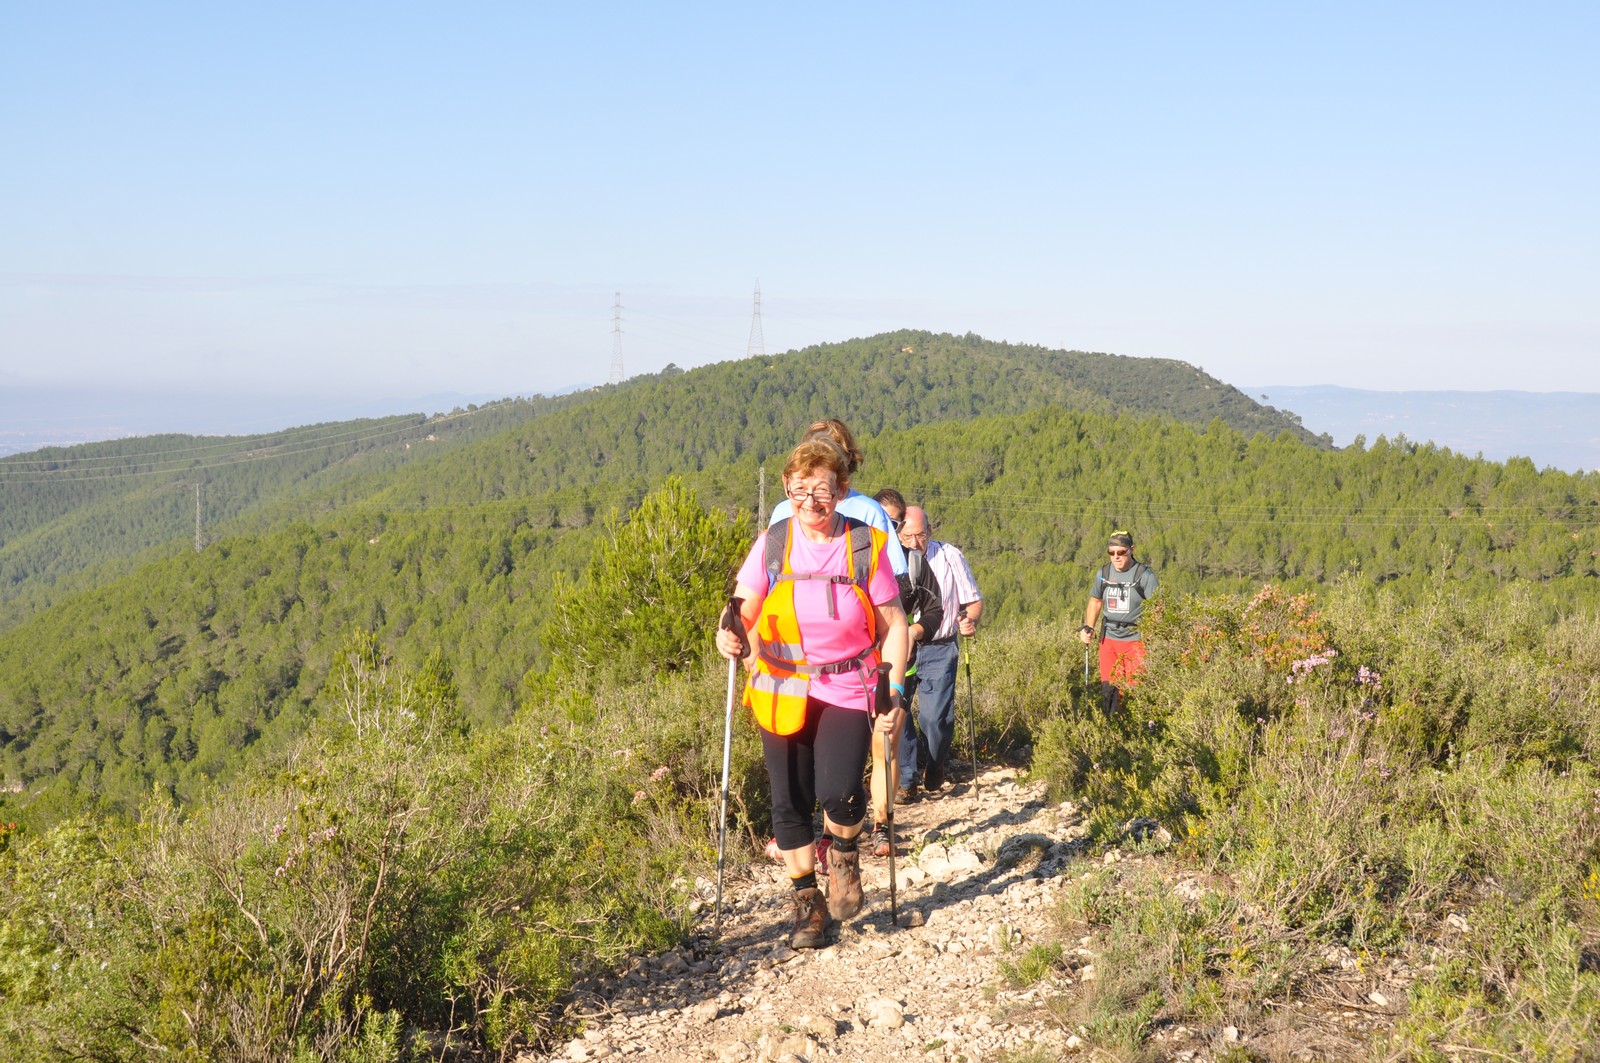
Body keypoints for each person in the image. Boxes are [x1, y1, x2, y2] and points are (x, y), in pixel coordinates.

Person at [718, 439, 909, 949]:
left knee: (839, 792)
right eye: (799, 489)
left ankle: (843, 856)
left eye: (821, 489)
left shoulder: (866, 545)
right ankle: (807, 904)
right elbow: (742, 608)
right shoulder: (773, 543)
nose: (810, 501)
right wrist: (728, 635)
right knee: (789, 800)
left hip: (847, 684)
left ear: (841, 490)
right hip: (780, 685)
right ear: (787, 488)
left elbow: (894, 625)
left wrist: (893, 689)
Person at [864, 488, 943, 857]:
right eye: (881, 519)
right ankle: (840, 830)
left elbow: (935, 609)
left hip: (894, 668)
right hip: (845, 670)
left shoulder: (912, 564)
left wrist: (911, 632)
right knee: (850, 749)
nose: (887, 528)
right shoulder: (845, 554)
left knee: (886, 744)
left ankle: (882, 824)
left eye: (894, 523)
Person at [895, 506, 981, 800]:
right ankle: (906, 781)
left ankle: (934, 764)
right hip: (900, 649)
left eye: (920, 535)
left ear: (930, 531)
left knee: (934, 719)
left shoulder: (949, 556)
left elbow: (973, 600)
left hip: (940, 648)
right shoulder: (892, 558)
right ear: (898, 534)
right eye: (907, 536)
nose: (914, 542)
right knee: (898, 713)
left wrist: (970, 621)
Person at [769, 419, 907, 578]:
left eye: (831, 450)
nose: (810, 503)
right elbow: (768, 573)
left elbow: (892, 574)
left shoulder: (869, 511)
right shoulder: (784, 511)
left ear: (847, 459)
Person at [1077, 530, 1159, 714]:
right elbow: (1095, 601)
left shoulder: (1145, 576)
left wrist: (1154, 637)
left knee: (1134, 690)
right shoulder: (1104, 573)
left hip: (1136, 641)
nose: (1116, 557)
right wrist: (1088, 627)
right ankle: (1111, 726)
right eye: (1111, 552)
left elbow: (1158, 608)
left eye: (1121, 552)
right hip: (1109, 641)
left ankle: (1136, 728)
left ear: (1131, 549)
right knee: (1109, 690)